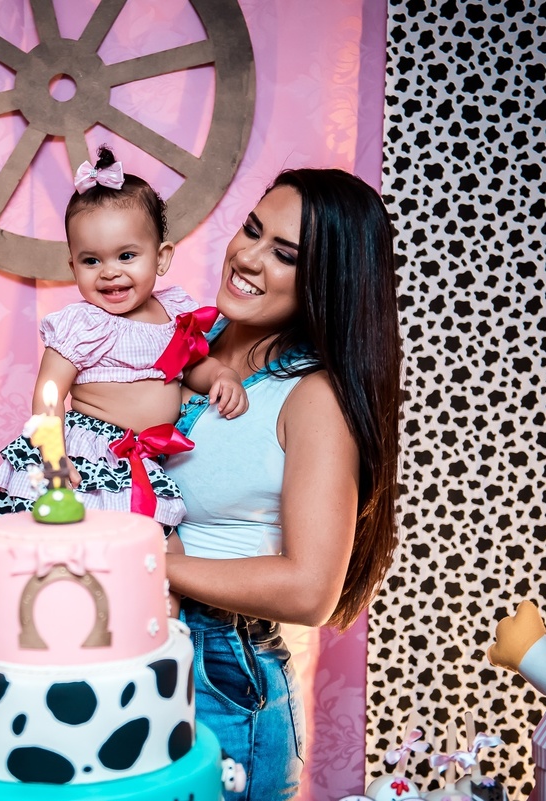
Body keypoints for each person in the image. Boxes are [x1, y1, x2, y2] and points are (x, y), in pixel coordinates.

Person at [163, 168, 403, 800]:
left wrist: (146, 562)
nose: (247, 257)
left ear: (327, 282)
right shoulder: (189, 338)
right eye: (251, 229)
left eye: (285, 255)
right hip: (137, 647)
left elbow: (309, 590)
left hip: (221, 677)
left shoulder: (313, 396)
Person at [0, 147, 246, 527]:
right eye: (92, 261)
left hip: (139, 457)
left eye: (126, 256)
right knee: (81, 544)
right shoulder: (84, 324)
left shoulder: (174, 313)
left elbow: (191, 367)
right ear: (72, 266)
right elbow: (48, 392)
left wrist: (222, 375)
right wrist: (54, 452)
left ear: (161, 257)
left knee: (155, 552)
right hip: (89, 453)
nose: (109, 272)